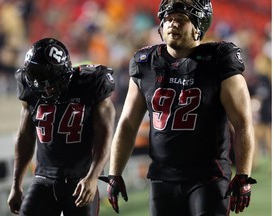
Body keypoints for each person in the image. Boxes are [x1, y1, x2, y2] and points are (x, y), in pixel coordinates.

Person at [105, 0, 257, 215]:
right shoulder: (145, 63)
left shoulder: (219, 60)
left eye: (181, 20)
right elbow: (128, 123)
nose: (172, 24)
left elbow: (242, 123)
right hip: (162, 178)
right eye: (168, 19)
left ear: (198, 27)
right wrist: (114, 173)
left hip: (208, 177)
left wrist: (242, 174)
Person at [7, 38, 116, 216]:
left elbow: (104, 135)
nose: (45, 86)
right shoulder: (30, 87)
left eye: (49, 79)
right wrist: (16, 184)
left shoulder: (90, 83)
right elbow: (25, 136)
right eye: (38, 77)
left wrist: (92, 176)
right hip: (43, 179)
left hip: (80, 178)